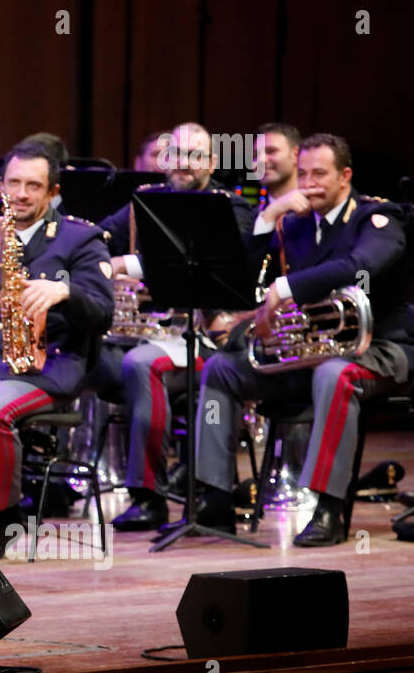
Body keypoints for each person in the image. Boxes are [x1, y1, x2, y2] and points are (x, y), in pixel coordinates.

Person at [194, 133, 412, 545]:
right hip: (308, 351)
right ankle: (217, 498)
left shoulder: (378, 219)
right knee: (221, 370)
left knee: (334, 375)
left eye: (320, 174)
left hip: (377, 350)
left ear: (345, 176)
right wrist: (266, 217)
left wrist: (288, 287)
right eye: (304, 174)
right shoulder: (292, 223)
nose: (309, 183)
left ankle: (328, 508)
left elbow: (361, 265)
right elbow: (238, 275)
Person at [89, 122, 257, 531]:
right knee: (85, 349)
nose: (184, 163)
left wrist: (123, 265)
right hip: (147, 331)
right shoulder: (145, 200)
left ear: (212, 162)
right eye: (177, 154)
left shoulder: (230, 207)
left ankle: (148, 495)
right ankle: (55, 486)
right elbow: (95, 237)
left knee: (142, 365)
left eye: (195, 155)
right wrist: (88, 260)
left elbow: (197, 260)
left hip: (208, 340)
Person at [0, 142, 113, 557]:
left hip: (50, 369)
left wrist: (65, 291)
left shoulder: (80, 238)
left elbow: (103, 313)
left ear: (52, 192)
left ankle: (5, 519)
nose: (22, 194)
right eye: (14, 183)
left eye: (34, 185)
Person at [253, 121, 300, 208]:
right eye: (256, 155)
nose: (261, 160)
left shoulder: (318, 212)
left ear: (295, 155)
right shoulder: (252, 218)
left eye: (271, 151)